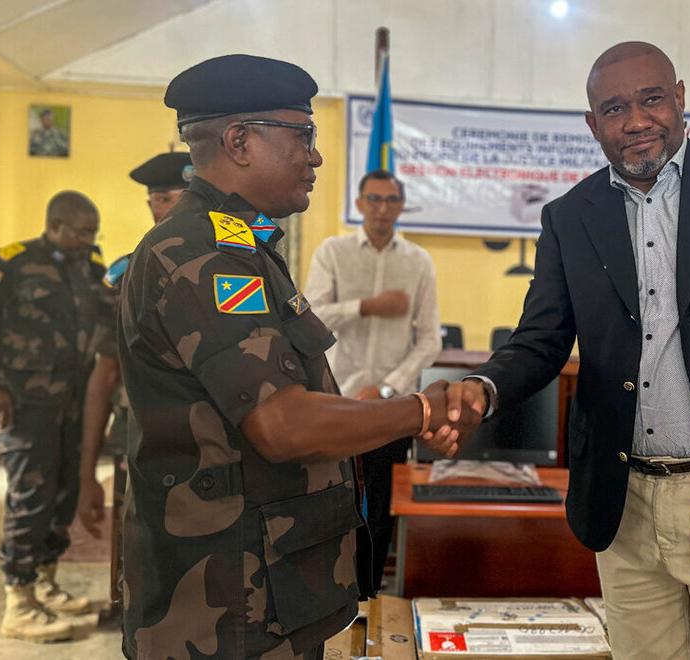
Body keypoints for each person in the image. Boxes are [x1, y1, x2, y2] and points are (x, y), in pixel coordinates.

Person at [441, 42, 690, 659]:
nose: (636, 120)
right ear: (593, 124)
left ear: (680, 98)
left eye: (652, 99)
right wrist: (485, 386)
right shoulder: (569, 217)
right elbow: (540, 339)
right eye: (615, 109)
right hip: (625, 500)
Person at [117, 54, 466, 660]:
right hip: (225, 603)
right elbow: (283, 425)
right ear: (239, 141)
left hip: (261, 584)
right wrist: (420, 410)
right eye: (301, 135)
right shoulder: (202, 255)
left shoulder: (241, 243)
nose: (316, 156)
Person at [0, 191, 108, 642]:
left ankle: (44, 584)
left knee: (64, 494)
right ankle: (18, 601)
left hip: (75, 404)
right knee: (31, 496)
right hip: (24, 404)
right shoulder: (9, 264)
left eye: (94, 232)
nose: (90, 240)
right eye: (82, 232)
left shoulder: (91, 268)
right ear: (55, 225)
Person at [305, 169, 441, 591]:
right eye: (374, 199)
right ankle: (327, 594)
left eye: (391, 200)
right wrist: (367, 306)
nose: (382, 208)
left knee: (381, 506)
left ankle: (370, 594)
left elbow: (430, 340)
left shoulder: (418, 262)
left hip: (390, 406)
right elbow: (312, 316)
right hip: (335, 399)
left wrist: (386, 389)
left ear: (401, 206)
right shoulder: (333, 252)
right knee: (328, 500)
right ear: (360, 204)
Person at [77, 151, 194, 539]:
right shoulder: (127, 276)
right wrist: (87, 474)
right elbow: (105, 374)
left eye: (172, 199)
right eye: (157, 200)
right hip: (143, 442)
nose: (164, 210)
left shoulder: (234, 266)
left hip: (217, 445)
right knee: (138, 549)